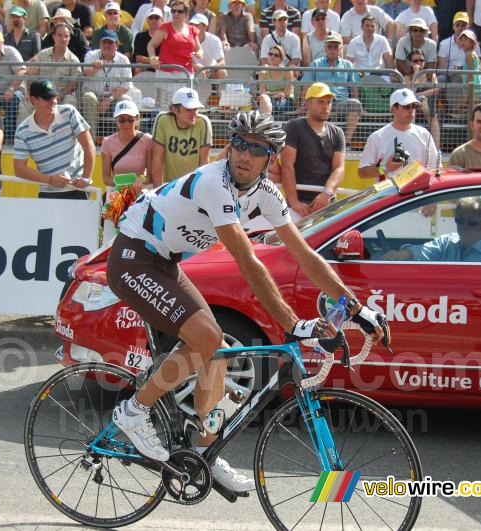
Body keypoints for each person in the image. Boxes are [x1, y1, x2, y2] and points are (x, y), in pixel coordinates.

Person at [108, 110, 385, 492]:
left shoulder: (267, 195)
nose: (244, 154)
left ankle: (203, 450)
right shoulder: (213, 182)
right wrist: (292, 324)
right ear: (228, 145)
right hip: (133, 258)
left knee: (217, 350)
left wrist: (357, 308)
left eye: (257, 149)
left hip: (164, 263)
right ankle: (134, 411)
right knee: (205, 338)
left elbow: (305, 255)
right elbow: (247, 259)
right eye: (239, 143)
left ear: (271, 159)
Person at [13, 80, 96, 199]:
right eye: (47, 98)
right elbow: (19, 169)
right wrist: (50, 180)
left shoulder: (69, 112)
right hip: (49, 192)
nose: (53, 101)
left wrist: (86, 177)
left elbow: (89, 146)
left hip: (79, 189)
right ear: (33, 100)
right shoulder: (22, 131)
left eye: (54, 97)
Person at [380, 196, 481, 262]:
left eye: (472, 222)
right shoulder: (448, 242)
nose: (464, 226)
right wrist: (403, 254)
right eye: (459, 220)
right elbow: (422, 251)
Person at [281, 83, 345, 217]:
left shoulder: (337, 132)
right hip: (299, 206)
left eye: (329, 102)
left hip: (328, 204)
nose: (326, 106)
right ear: (308, 104)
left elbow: (339, 168)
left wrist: (326, 194)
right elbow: (287, 166)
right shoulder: (293, 127)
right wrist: (294, 202)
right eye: (321, 102)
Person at [358, 88, 440, 180]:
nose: (411, 110)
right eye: (406, 107)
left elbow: (436, 169)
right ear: (393, 109)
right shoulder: (377, 137)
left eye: (414, 106)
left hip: (419, 193)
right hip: (390, 193)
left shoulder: (424, 134)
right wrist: (385, 169)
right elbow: (362, 172)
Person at [301, 34, 362, 142]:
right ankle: (312, 141)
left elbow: (353, 88)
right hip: (320, 101)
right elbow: (306, 86)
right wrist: (302, 104)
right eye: (330, 46)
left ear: (340, 48)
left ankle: (346, 141)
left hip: (341, 102)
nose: (333, 49)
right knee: (311, 105)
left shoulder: (348, 65)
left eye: (335, 47)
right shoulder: (315, 64)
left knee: (355, 104)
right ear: (325, 48)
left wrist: (357, 100)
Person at [82, 30, 138, 137]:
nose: (107, 45)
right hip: (94, 95)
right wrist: (95, 68)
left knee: (126, 100)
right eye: (104, 42)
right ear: (100, 44)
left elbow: (126, 86)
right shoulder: (91, 55)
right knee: (88, 97)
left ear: (117, 45)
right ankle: (91, 141)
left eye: (110, 43)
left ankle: (122, 140)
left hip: (113, 97)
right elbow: (86, 73)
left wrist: (109, 100)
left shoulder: (124, 59)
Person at [148, 0, 202, 109]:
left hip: (186, 73)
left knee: (185, 106)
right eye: (173, 11)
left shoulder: (192, 30)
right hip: (166, 73)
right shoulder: (165, 27)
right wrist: (153, 59)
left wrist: (199, 53)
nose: (175, 14)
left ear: (187, 14)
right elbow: (151, 45)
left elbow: (199, 49)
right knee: (164, 108)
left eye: (180, 11)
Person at [150, 86, 212, 181]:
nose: (193, 113)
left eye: (195, 109)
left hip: (192, 186)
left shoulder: (203, 123)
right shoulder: (163, 120)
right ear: (175, 110)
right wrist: (157, 191)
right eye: (188, 109)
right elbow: (157, 159)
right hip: (169, 186)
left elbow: (204, 162)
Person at [101, 99, 156, 191]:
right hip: (118, 195)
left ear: (137, 119)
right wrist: (124, 185)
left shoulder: (147, 140)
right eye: (121, 120)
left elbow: (150, 176)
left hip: (140, 195)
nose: (126, 124)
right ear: (116, 121)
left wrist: (141, 180)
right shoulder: (107, 142)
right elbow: (106, 178)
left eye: (130, 120)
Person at [404, 49, 440, 146]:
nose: (419, 62)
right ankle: (411, 142)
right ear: (410, 63)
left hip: (428, 104)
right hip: (413, 103)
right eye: (416, 61)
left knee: (431, 113)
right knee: (412, 112)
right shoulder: (408, 77)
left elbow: (436, 89)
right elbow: (411, 90)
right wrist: (416, 73)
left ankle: (436, 147)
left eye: (421, 60)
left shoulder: (431, 74)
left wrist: (421, 94)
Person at [258, 45, 295, 117]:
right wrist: (276, 94)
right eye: (270, 54)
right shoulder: (263, 72)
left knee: (268, 104)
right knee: (263, 98)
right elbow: (262, 92)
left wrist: (272, 94)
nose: (272, 56)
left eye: (276, 55)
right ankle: (266, 121)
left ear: (282, 59)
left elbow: (287, 93)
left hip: (285, 100)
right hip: (269, 99)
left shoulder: (287, 71)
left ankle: (266, 121)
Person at [190, 14, 227, 83]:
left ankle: (217, 93)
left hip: (210, 73)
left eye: (196, 25)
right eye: (191, 25)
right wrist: (195, 66)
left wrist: (208, 70)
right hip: (191, 72)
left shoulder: (214, 40)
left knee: (222, 72)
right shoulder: (186, 39)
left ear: (205, 27)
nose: (193, 27)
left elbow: (222, 62)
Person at [133, 7, 163, 74]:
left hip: (163, 65)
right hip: (146, 65)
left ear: (162, 20)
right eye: (151, 17)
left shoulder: (166, 36)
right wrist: (153, 60)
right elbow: (138, 57)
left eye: (156, 17)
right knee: (139, 67)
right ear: (147, 21)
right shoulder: (140, 36)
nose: (153, 20)